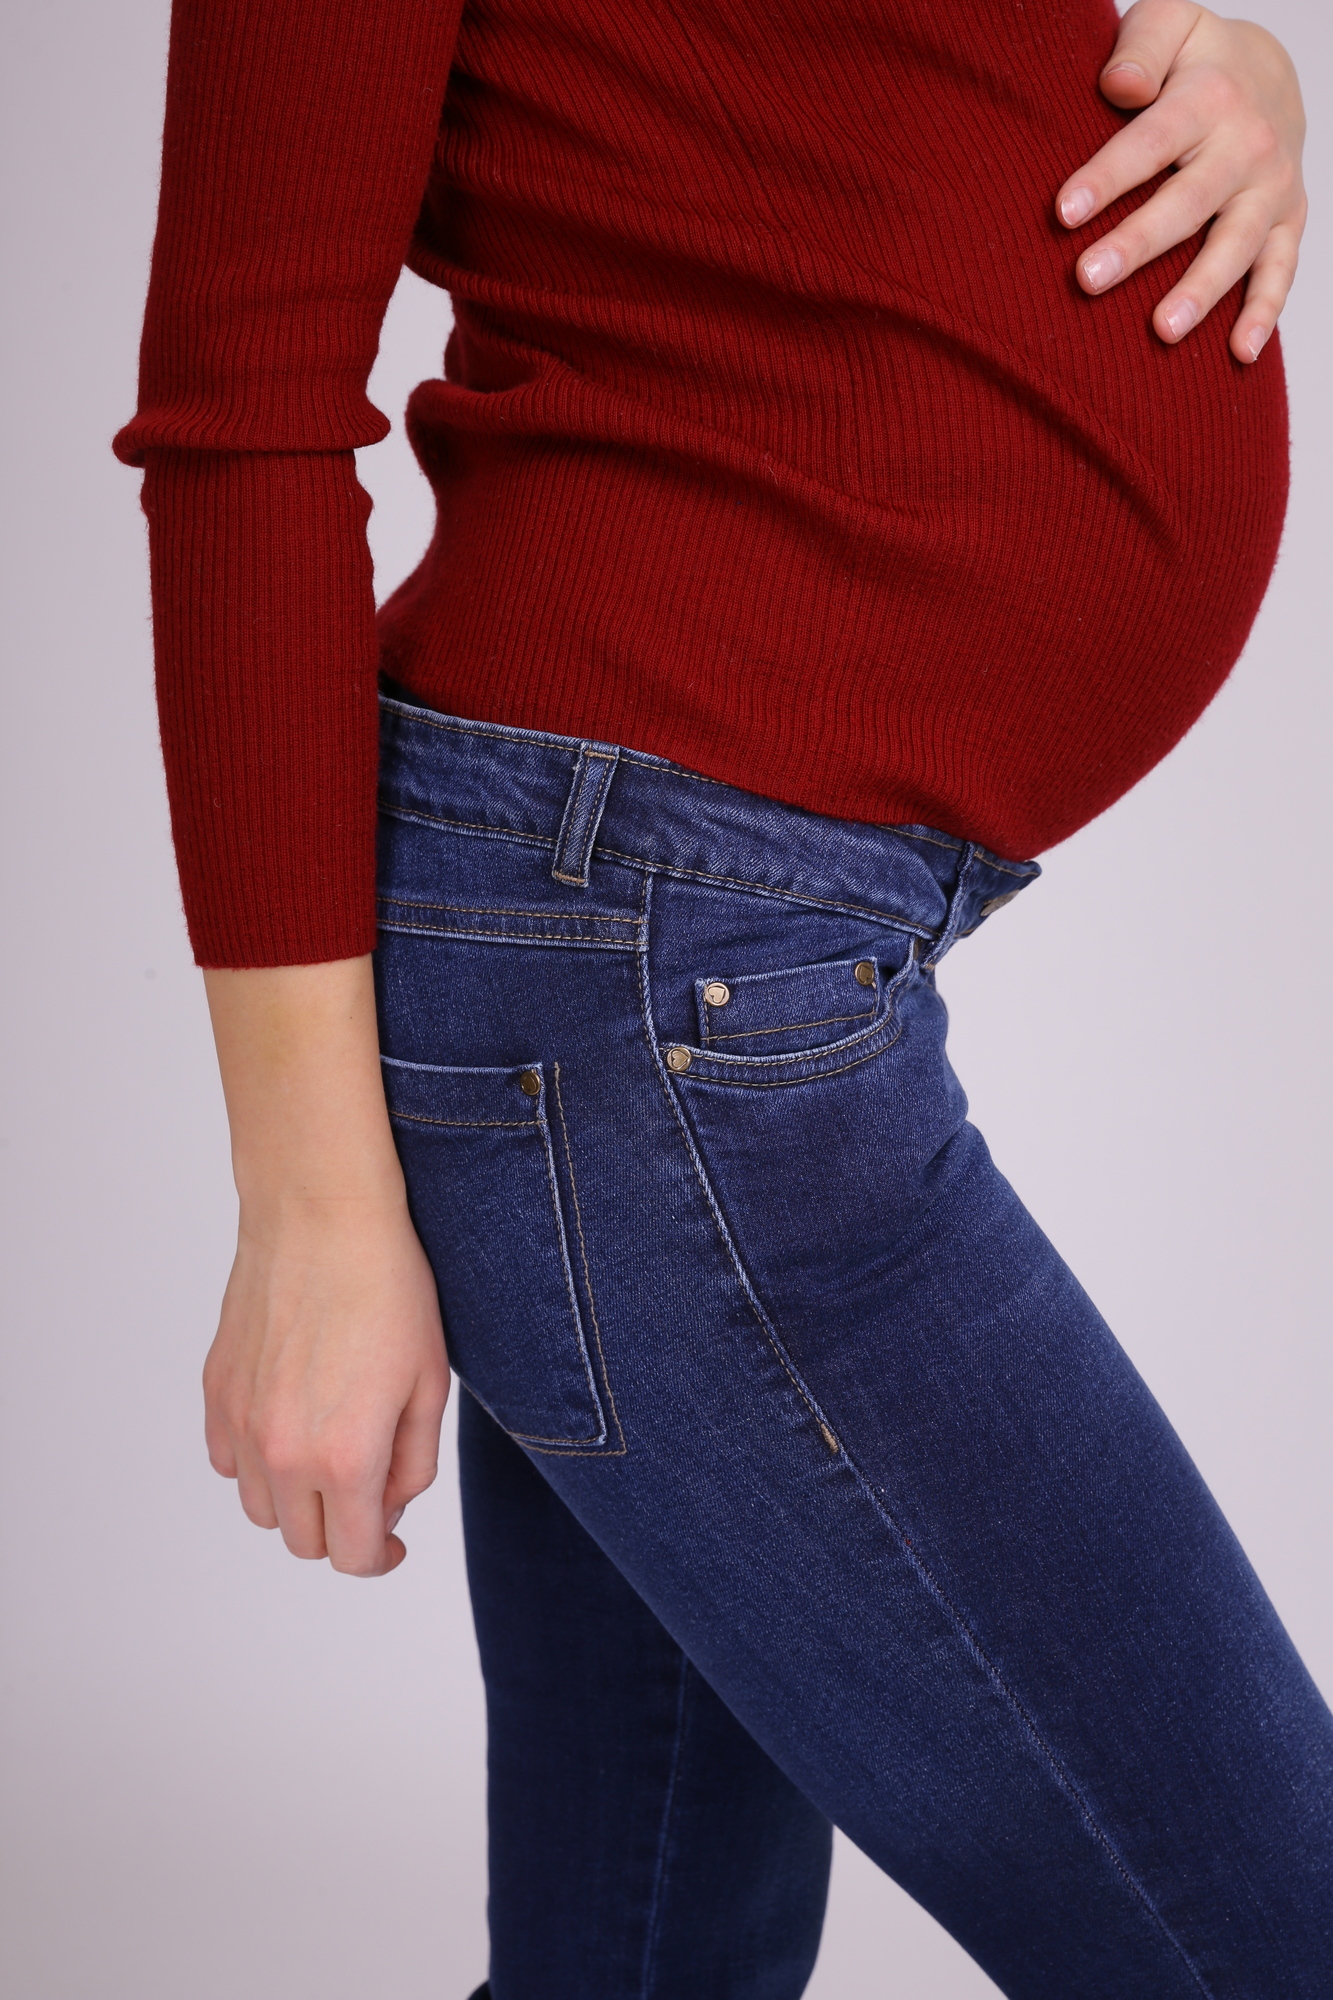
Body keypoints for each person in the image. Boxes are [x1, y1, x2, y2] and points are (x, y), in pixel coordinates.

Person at [116, 0, 1328, 1990]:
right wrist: (308, 1205)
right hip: (643, 957)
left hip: (675, 933)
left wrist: (1224, 69)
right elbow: (243, 413)